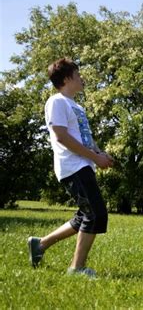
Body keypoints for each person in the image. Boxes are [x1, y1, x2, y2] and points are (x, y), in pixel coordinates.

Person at [27, 58, 114, 278]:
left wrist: (99, 154)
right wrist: (94, 157)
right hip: (72, 166)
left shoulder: (77, 106)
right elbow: (62, 137)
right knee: (96, 214)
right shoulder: (56, 102)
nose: (82, 78)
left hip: (83, 164)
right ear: (67, 78)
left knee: (84, 215)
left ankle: (40, 245)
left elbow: (85, 138)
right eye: (78, 75)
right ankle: (77, 268)